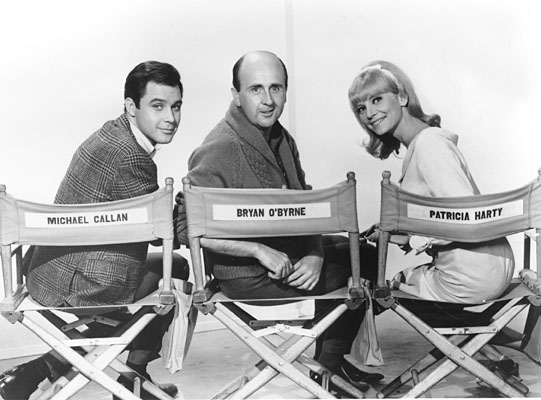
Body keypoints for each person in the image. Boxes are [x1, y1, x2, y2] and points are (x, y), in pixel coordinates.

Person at [182, 50, 382, 391]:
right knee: (365, 260)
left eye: (276, 88)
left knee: (359, 250)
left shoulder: (280, 137)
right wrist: (257, 250)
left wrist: (315, 253)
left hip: (286, 254)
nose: (268, 100)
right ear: (236, 95)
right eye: (256, 89)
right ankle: (328, 366)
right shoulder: (220, 148)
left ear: (286, 91)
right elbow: (186, 228)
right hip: (248, 275)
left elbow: (302, 204)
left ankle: (328, 363)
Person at [0, 61, 188, 400]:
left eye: (176, 107)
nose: (171, 118)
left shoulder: (109, 134)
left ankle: (32, 373)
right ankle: (134, 378)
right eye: (158, 106)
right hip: (80, 282)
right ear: (131, 106)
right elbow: (161, 232)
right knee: (176, 268)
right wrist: (191, 210)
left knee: (114, 311)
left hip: (48, 270)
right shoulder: (131, 157)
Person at [347, 60, 515, 303]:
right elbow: (444, 212)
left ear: (402, 97)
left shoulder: (429, 146)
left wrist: (416, 239)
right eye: (361, 108)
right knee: (395, 282)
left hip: (472, 276)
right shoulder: (423, 144)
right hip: (490, 267)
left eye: (377, 100)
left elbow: (465, 214)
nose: (369, 114)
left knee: (383, 290)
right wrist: (401, 230)